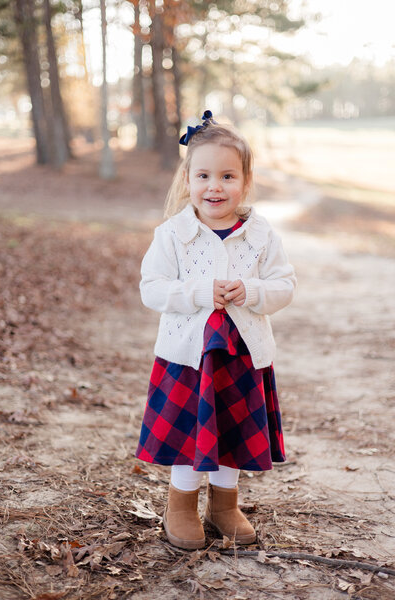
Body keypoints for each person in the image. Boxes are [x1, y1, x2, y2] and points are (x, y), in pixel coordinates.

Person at [135, 110, 296, 550]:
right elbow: (153, 289)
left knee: (231, 431)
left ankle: (225, 505)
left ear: (245, 181)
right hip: (188, 357)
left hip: (242, 353)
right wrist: (201, 291)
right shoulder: (173, 235)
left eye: (227, 176)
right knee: (191, 432)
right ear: (187, 179)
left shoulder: (260, 235)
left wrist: (253, 290)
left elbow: (285, 286)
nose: (215, 186)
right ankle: (181, 505)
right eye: (204, 175)